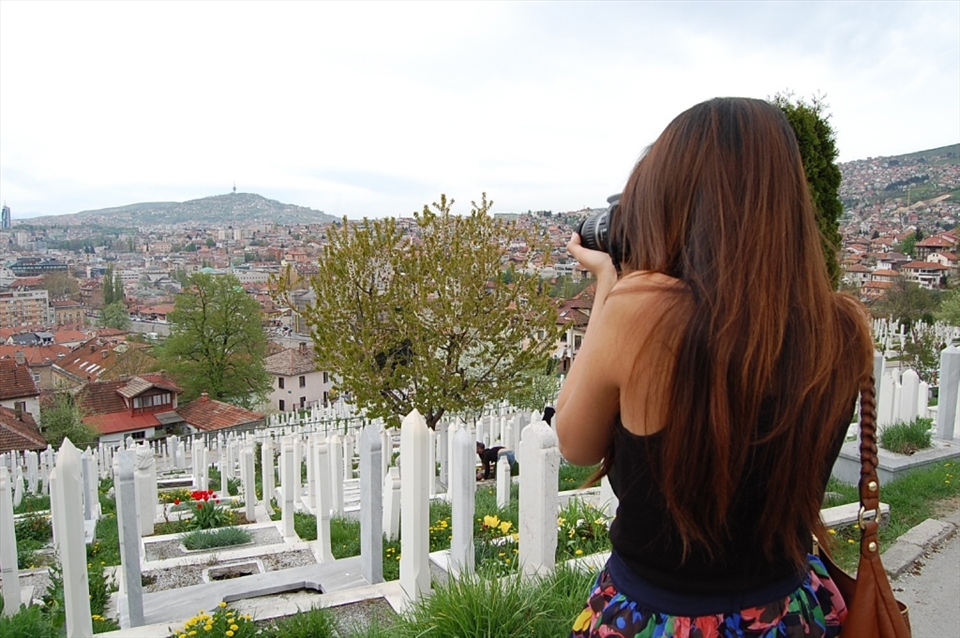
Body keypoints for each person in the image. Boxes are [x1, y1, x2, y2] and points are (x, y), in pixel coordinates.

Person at [556, 98, 873, 638]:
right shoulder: (843, 328)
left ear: (673, 194)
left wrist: (611, 281)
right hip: (790, 611)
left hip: (657, 615)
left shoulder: (640, 312)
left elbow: (575, 443)